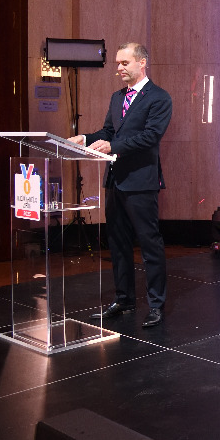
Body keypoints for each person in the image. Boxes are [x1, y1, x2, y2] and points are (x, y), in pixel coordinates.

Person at [68, 42, 173, 328]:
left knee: (149, 244)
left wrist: (113, 146)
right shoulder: (117, 97)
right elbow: (108, 131)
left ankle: (156, 305)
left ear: (142, 63)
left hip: (141, 182)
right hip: (115, 180)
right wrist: (85, 139)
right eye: (117, 63)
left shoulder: (159, 98)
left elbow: (150, 136)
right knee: (117, 242)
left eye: (124, 63)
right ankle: (124, 299)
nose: (119, 68)